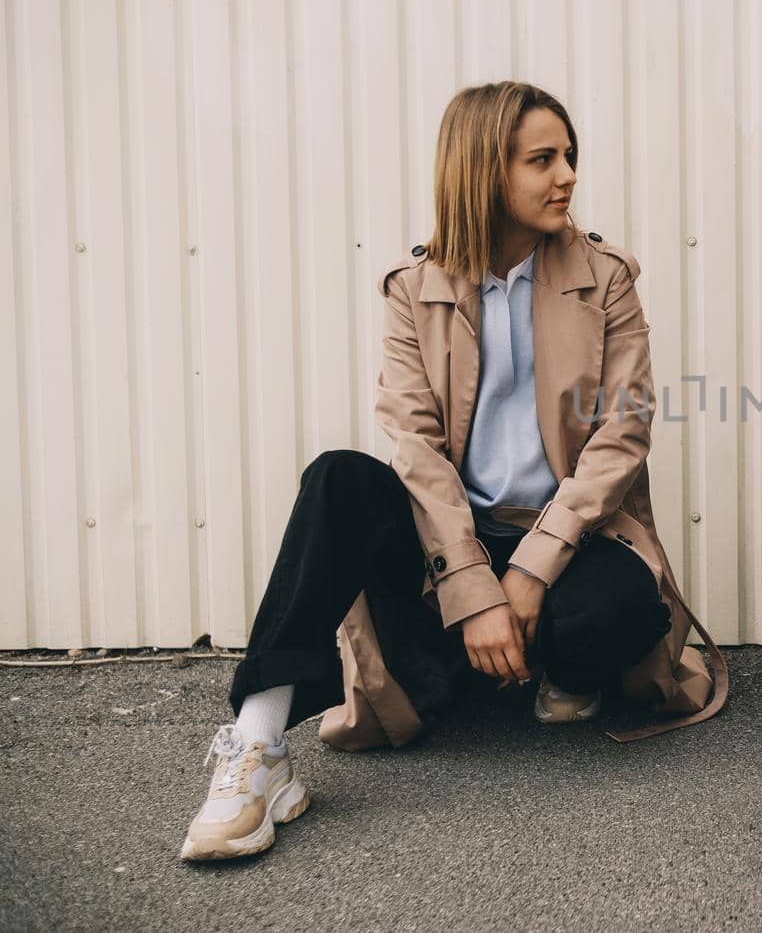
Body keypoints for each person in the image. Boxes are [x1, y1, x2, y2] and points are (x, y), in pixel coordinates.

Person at [181, 81, 725, 862]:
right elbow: (414, 444)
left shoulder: (605, 278)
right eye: (543, 159)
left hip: (569, 546)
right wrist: (471, 587)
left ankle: (541, 662)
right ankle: (259, 747)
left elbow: (622, 431)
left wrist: (533, 567)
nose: (567, 174)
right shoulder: (414, 290)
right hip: (447, 550)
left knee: (615, 612)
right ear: (482, 172)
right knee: (337, 476)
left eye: (569, 156)